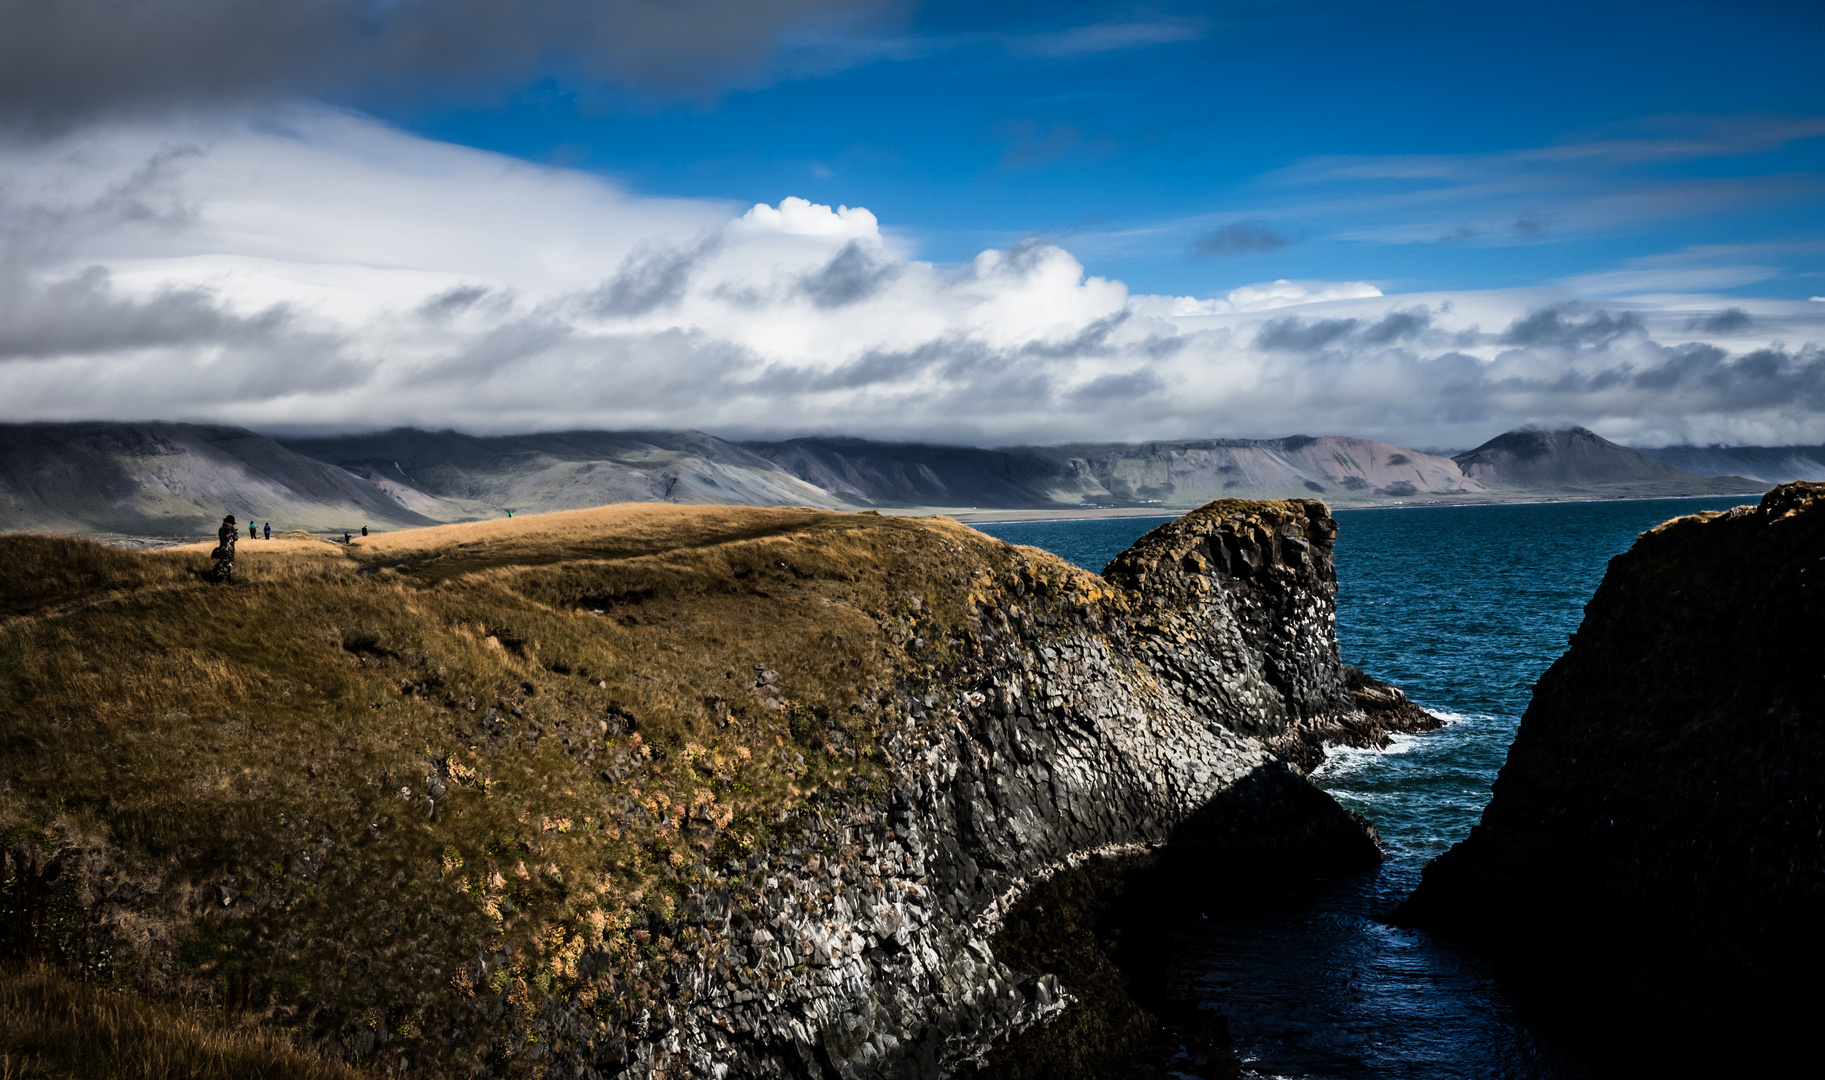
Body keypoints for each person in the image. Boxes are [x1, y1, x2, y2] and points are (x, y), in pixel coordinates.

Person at [210, 515, 237, 583]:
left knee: (223, 562)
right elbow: (236, 538)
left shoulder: (221, 529)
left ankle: (224, 578)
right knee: (229, 564)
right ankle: (218, 578)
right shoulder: (232, 529)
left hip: (222, 548)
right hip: (229, 550)